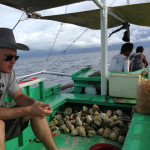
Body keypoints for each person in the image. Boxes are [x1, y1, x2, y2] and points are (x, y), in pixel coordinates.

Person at [0, 28, 58, 150]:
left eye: (16, 57)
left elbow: (19, 96)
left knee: (36, 111)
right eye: (8, 57)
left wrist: (36, 104)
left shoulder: (8, 72)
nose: (13, 62)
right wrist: (29, 109)